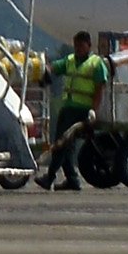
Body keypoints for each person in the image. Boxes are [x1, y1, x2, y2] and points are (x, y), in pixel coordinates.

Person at [34, 31, 110, 187]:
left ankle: (50, 177)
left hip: (82, 110)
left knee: (61, 143)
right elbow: (55, 67)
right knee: (66, 146)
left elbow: (99, 90)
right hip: (67, 108)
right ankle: (72, 180)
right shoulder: (70, 60)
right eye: (76, 46)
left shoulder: (96, 64)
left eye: (81, 46)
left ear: (89, 46)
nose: (78, 49)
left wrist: (93, 110)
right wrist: (47, 70)